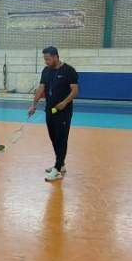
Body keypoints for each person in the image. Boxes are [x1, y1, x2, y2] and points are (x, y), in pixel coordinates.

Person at [28, 46, 79, 182]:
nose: (46, 62)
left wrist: (65, 102)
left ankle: (57, 169)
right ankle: (61, 164)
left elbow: (75, 90)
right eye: (45, 59)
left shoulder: (69, 70)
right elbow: (41, 88)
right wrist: (33, 104)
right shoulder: (46, 71)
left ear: (56, 56)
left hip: (63, 111)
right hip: (50, 110)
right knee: (54, 138)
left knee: (61, 139)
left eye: (48, 59)